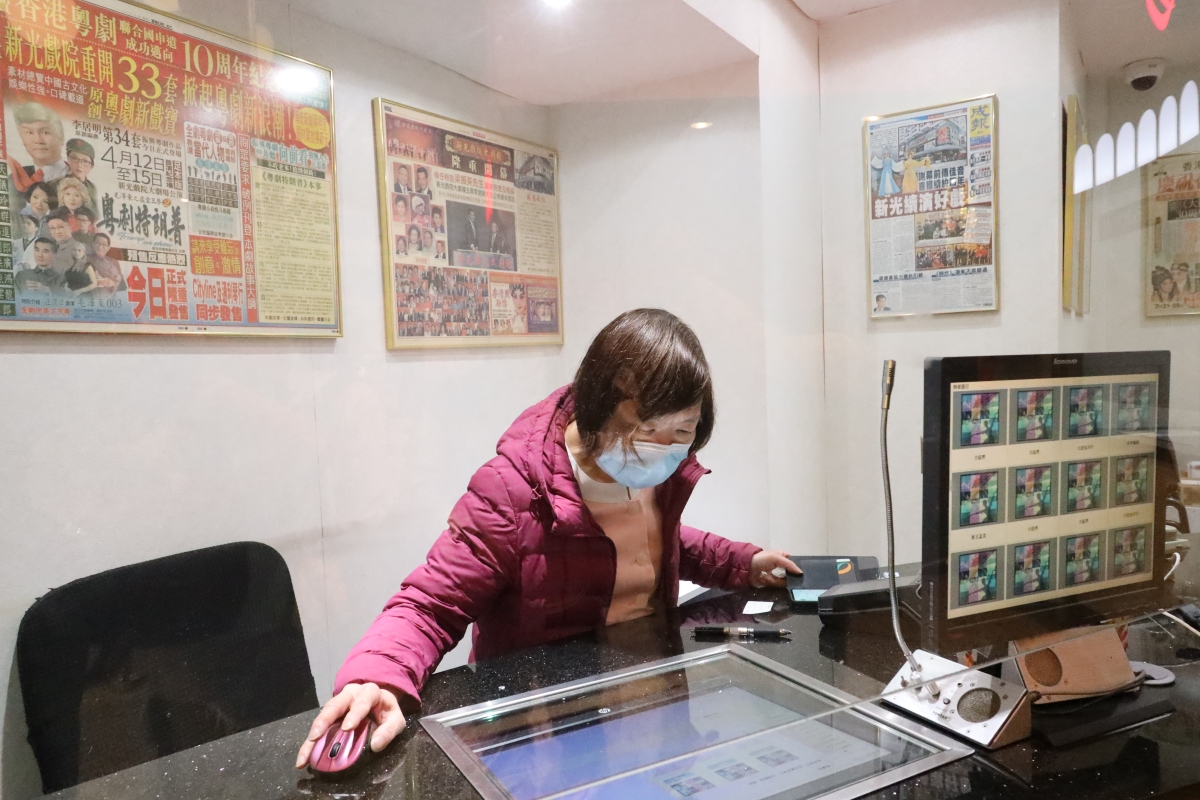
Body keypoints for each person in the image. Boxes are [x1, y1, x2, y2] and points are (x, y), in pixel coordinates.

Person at [294, 310, 801, 764]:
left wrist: (742, 562)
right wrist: (377, 677)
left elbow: (650, 543)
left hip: (648, 700)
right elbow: (430, 604)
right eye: (649, 430)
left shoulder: (657, 471)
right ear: (600, 407)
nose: (666, 449)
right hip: (545, 730)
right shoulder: (512, 491)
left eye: (684, 432)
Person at [8, 102, 68, 197]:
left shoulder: (79, 180)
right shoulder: (13, 180)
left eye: (45, 132)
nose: (38, 140)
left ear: (61, 137)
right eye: (29, 132)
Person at [50, 138, 100, 211]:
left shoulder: (92, 188)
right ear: (68, 159)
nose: (79, 165)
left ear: (91, 166)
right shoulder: (55, 184)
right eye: (74, 158)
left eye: (85, 161)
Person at [88, 232, 125, 297]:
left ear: (108, 248)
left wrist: (116, 282)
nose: (100, 247)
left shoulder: (114, 262)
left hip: (110, 299)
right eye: (98, 243)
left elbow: (122, 286)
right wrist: (101, 281)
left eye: (104, 244)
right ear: (93, 244)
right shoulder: (85, 259)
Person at [44, 209, 78, 273]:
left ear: (71, 226)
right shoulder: (52, 247)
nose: (57, 232)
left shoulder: (77, 249)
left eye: (60, 227)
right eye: (52, 228)